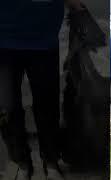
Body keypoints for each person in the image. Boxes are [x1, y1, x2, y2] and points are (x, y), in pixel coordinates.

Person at [0, 1, 83, 179]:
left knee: (48, 107)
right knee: (7, 107)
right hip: (4, 40)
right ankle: (20, 161)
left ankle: (51, 161)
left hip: (44, 40)